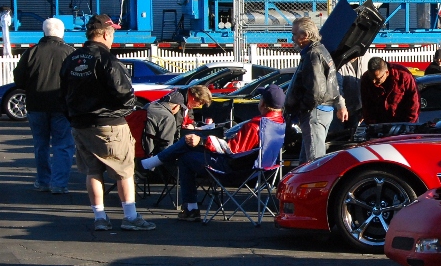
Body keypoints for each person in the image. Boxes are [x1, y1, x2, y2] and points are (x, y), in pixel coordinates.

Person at [59, 14, 154, 231]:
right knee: (124, 171)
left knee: (92, 171)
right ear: (104, 33)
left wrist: (73, 116)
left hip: (81, 124)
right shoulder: (107, 59)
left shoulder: (71, 59)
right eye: (112, 34)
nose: (113, 39)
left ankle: (99, 217)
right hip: (109, 123)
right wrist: (123, 111)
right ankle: (130, 217)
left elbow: (62, 93)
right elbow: (125, 94)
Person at [142, 86, 286, 222]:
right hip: (261, 169)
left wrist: (205, 141)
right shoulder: (279, 123)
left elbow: (232, 150)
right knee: (189, 145)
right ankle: (158, 161)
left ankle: (190, 208)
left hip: (234, 170)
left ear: (264, 103)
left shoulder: (255, 125)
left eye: (261, 98)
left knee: (186, 156)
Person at [12, 18, 75, 194]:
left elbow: (19, 79)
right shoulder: (70, 53)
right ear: (62, 32)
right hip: (62, 106)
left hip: (36, 105)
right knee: (62, 145)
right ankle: (59, 184)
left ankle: (43, 181)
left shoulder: (31, 53)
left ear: (44, 31)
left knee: (41, 145)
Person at [284, 17, 346, 163]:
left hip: (314, 113)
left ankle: (316, 186)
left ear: (305, 35)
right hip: (322, 110)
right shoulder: (321, 50)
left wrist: (304, 109)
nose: (292, 38)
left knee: (314, 161)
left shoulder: (313, 54)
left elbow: (316, 90)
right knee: (307, 160)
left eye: (294, 34)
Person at [140, 85, 212, 157]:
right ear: (194, 98)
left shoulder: (186, 101)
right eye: (200, 103)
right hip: (158, 144)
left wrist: (192, 125)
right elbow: (171, 135)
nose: (199, 106)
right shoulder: (177, 102)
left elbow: (190, 118)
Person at [360, 57, 420, 125]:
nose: (373, 82)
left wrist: (409, 125)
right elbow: (366, 106)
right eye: (371, 78)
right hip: (379, 124)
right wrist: (371, 125)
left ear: (387, 73)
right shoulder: (365, 79)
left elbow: (414, 102)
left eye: (377, 79)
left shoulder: (403, 76)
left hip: (403, 122)